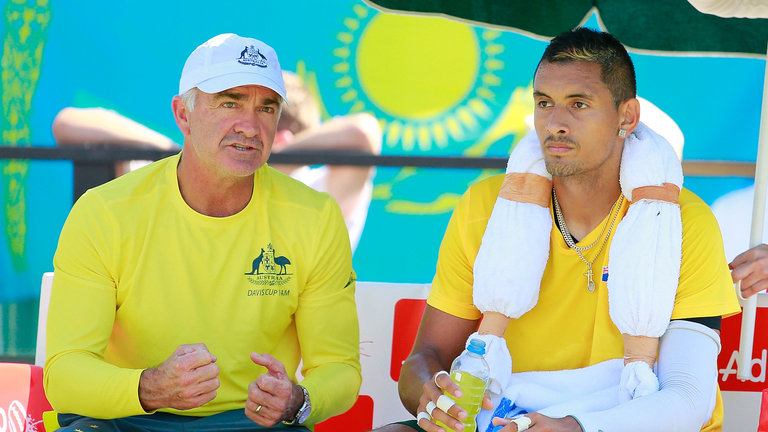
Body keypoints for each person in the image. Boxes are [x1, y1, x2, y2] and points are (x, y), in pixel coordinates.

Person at [375, 28, 740, 432]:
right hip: (500, 419)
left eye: (578, 104)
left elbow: (689, 399)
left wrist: (574, 426)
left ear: (627, 117)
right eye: (544, 103)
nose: (555, 123)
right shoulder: (486, 206)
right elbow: (424, 358)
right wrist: (433, 393)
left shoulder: (685, 220)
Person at [44, 33, 361, 431]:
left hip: (252, 424)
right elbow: (64, 375)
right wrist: (150, 388)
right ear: (183, 115)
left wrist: (300, 400)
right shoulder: (104, 211)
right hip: (122, 420)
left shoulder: (315, 216)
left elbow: (339, 368)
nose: (250, 126)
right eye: (230, 102)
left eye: (266, 108)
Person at [52, 73, 381, 251]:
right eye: (231, 111)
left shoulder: (319, 191)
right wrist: (174, 150)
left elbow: (363, 132)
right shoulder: (179, 174)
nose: (246, 132)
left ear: (285, 142)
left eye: (265, 116)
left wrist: (266, 161)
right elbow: (68, 123)